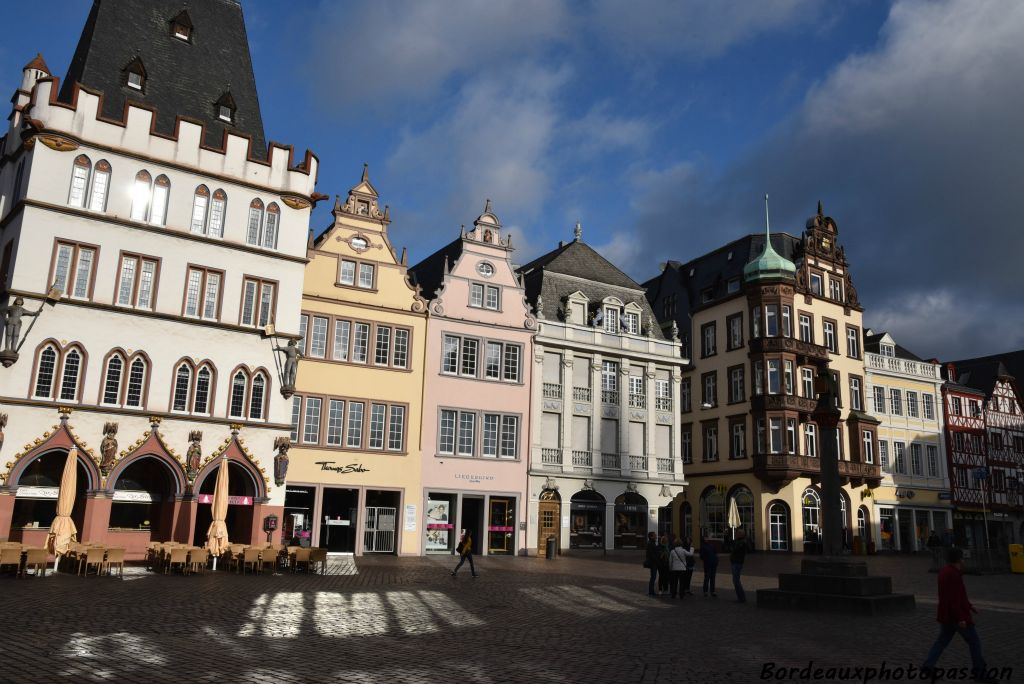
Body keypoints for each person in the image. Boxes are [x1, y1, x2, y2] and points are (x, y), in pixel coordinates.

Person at [921, 548, 996, 683]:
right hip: (956, 616)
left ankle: (928, 665)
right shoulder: (954, 574)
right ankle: (979, 672)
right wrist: (961, 617)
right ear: (959, 559)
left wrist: (970, 606)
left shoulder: (944, 571)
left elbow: (958, 595)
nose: (964, 560)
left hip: (946, 615)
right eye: (962, 558)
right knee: (974, 642)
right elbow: (954, 598)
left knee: (941, 641)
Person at [730, 529, 748, 603]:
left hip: (737, 562)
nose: (736, 534)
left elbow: (735, 550)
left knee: (736, 580)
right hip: (736, 562)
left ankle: (741, 598)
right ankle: (741, 597)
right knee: (735, 580)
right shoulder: (739, 542)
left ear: (741, 534)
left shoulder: (741, 542)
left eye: (737, 533)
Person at [644, 531, 659, 596]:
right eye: (655, 535)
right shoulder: (651, 544)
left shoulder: (652, 543)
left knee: (653, 577)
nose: (656, 536)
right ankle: (651, 591)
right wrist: (657, 560)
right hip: (653, 563)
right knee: (653, 577)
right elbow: (652, 554)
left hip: (653, 562)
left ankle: (651, 591)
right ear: (651, 536)